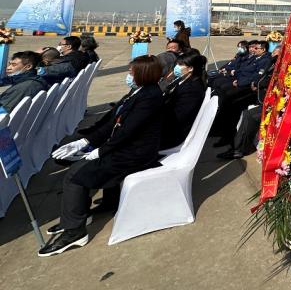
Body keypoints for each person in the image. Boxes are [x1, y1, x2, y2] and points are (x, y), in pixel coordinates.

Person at [39, 55, 165, 257]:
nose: (128, 76)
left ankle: (75, 231)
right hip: (123, 147)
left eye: (131, 72)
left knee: (75, 176)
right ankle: (77, 215)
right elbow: (112, 122)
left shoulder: (150, 97)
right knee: (77, 166)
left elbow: (128, 131)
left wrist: (100, 151)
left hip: (134, 153)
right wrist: (86, 142)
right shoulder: (138, 91)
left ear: (143, 73)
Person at [211, 40, 272, 150]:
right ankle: (222, 130)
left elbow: (255, 77)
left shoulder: (265, 60)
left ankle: (228, 135)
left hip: (249, 89)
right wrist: (235, 77)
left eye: (256, 48)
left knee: (229, 99)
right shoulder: (255, 57)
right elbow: (243, 70)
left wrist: (239, 82)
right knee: (223, 92)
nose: (253, 50)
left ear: (263, 50)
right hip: (241, 82)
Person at [160, 52, 207, 150]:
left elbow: (179, 116)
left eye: (180, 65)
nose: (176, 67)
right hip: (168, 124)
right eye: (177, 64)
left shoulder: (193, 89)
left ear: (191, 68)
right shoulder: (183, 79)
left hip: (174, 132)